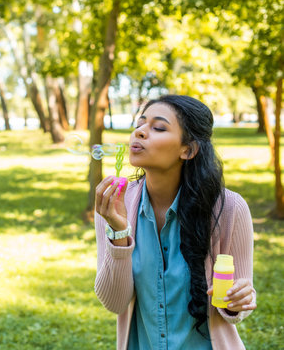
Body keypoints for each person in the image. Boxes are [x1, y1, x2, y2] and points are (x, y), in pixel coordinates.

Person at [94, 95, 256, 349]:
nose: (140, 132)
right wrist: (118, 231)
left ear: (188, 150)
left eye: (158, 127)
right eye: (139, 124)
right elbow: (114, 302)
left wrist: (239, 299)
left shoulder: (229, 208)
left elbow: (238, 301)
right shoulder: (116, 205)